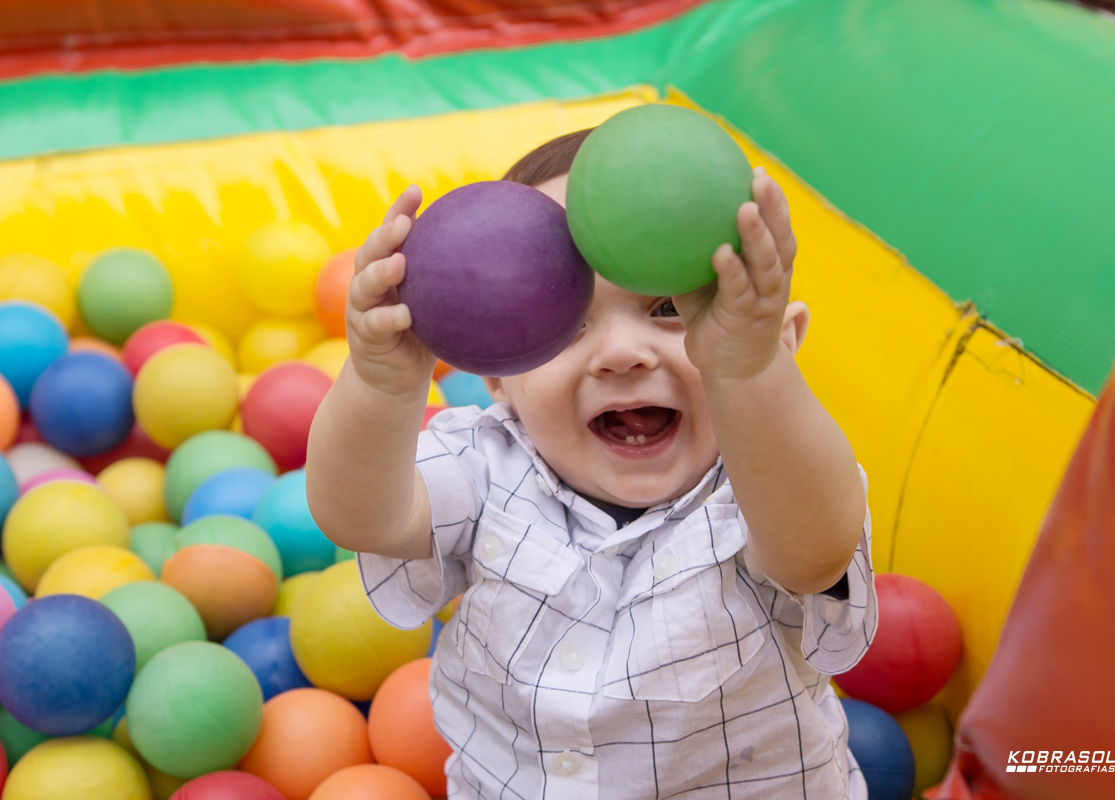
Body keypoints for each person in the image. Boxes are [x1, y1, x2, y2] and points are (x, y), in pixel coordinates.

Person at [306, 128, 877, 799]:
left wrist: (749, 373)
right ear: (499, 375)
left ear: (779, 340)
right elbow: (362, 516)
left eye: (669, 307)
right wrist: (379, 385)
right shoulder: (486, 464)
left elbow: (813, 552)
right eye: (568, 321)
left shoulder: (769, 484)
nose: (620, 353)